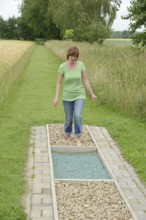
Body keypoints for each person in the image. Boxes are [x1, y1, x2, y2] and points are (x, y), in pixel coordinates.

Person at [53, 46, 97, 146]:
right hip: (67, 96)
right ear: (68, 55)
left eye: (75, 56)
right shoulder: (62, 67)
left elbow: (85, 80)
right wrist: (56, 98)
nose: (73, 58)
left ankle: (78, 137)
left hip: (79, 94)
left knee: (77, 115)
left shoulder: (81, 65)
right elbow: (58, 83)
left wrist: (92, 93)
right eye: (72, 56)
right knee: (68, 119)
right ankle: (67, 134)